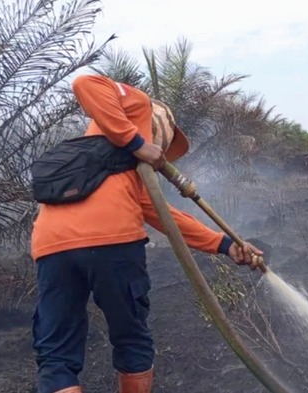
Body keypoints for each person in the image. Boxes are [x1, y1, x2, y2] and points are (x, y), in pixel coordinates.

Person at [30, 74, 263, 393]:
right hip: (114, 243)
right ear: (160, 121)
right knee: (132, 342)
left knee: (56, 357)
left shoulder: (108, 165)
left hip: (52, 246)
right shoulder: (138, 106)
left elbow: (164, 215)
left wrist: (224, 244)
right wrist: (138, 143)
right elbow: (85, 83)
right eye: (165, 142)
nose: (163, 151)